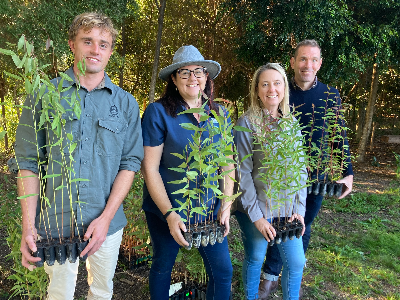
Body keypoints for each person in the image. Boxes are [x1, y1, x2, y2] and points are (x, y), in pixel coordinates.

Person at [13, 12, 144, 300]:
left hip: (105, 224)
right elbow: (28, 163)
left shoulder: (125, 104)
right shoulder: (44, 95)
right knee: (58, 293)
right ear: (72, 44)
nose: (95, 50)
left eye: (104, 44)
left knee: (101, 291)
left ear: (110, 51)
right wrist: (29, 226)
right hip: (55, 222)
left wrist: (106, 218)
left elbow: (130, 163)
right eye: (88, 41)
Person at [259, 39, 354, 298]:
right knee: (280, 222)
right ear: (293, 62)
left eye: (313, 59)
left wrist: (348, 172)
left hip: (315, 176)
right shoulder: (281, 91)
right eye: (302, 59)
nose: (307, 65)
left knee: (303, 223)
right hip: (282, 175)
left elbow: (338, 136)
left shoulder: (329, 95)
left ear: (320, 63)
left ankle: (285, 275)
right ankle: (273, 275)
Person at [141, 45, 234, 300]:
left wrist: (225, 206)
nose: (192, 78)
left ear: (206, 77)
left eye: (198, 72)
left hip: (207, 211)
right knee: (163, 265)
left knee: (223, 272)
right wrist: (170, 214)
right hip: (168, 209)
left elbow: (227, 165)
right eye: (184, 72)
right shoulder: (158, 112)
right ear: (173, 78)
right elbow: (149, 167)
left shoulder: (219, 114)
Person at [234, 63, 307, 300]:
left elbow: (300, 172)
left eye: (277, 83)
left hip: (286, 211)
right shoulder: (247, 123)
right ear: (256, 90)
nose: (271, 89)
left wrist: (299, 210)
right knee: (256, 256)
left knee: (296, 262)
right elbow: (242, 174)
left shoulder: (291, 125)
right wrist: (257, 217)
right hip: (257, 208)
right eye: (265, 84)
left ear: (284, 88)